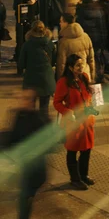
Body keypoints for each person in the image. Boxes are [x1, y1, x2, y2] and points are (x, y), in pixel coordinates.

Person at [53, 54, 96, 190]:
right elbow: (57, 102)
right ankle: (75, 179)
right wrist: (67, 111)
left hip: (86, 121)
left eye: (82, 64)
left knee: (87, 149)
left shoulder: (84, 77)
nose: (81, 67)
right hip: (73, 122)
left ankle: (84, 175)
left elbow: (87, 96)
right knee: (72, 150)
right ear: (70, 67)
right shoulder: (63, 82)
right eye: (77, 65)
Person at [5, 90, 49, 218]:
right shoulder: (19, 115)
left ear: (31, 102)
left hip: (35, 167)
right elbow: (13, 137)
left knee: (25, 197)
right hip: (25, 164)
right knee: (24, 196)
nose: (19, 101)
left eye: (24, 98)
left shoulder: (39, 119)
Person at [18, 21, 56, 120]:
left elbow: (21, 64)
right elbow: (53, 61)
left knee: (30, 108)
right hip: (46, 81)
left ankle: (32, 129)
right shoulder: (50, 44)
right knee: (44, 108)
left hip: (31, 81)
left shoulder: (27, 45)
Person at [76, 0, 109, 83]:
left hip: (85, 39)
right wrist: (103, 40)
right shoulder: (98, 11)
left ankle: (85, 77)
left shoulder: (80, 10)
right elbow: (102, 27)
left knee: (85, 58)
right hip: (97, 38)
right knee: (97, 58)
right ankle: (98, 76)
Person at [56, 13, 95, 81]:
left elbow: (61, 65)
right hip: (85, 74)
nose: (60, 23)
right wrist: (92, 76)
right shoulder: (85, 36)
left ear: (66, 23)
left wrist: (59, 80)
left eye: (61, 21)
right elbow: (91, 59)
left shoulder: (64, 42)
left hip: (72, 77)